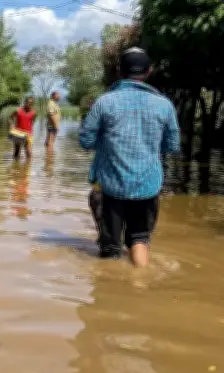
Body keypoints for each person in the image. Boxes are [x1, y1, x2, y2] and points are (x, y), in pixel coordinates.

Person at [79, 47, 180, 267]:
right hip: (148, 186)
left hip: (111, 186)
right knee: (140, 239)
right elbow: (172, 146)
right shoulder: (164, 105)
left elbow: (85, 141)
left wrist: (108, 144)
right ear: (149, 71)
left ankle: (113, 291)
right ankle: (140, 286)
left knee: (110, 247)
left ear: (119, 71)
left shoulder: (104, 102)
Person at [9, 96, 37, 160]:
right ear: (25, 102)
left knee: (29, 153)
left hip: (28, 134)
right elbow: (10, 118)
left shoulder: (34, 113)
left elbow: (32, 122)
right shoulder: (18, 110)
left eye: (31, 103)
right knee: (16, 153)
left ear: (32, 104)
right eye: (28, 102)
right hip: (18, 133)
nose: (29, 104)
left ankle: (27, 168)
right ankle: (15, 167)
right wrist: (11, 125)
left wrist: (30, 132)